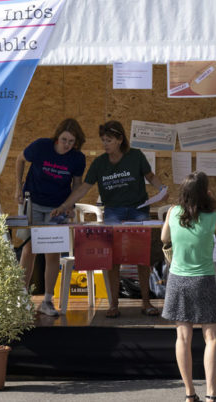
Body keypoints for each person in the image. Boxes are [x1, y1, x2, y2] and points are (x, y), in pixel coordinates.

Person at [53, 120, 167, 318]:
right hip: (113, 213)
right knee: (113, 260)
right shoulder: (99, 163)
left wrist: (162, 188)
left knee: (142, 258)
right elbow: (84, 188)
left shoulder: (136, 156)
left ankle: (146, 303)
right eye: (103, 140)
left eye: (109, 140)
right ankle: (113, 304)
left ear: (120, 140)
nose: (105, 144)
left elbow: (150, 176)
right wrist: (64, 205)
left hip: (138, 211)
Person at [161, 172, 216, 402]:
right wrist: (212, 203)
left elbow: (164, 238)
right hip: (204, 279)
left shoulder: (172, 212)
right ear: (204, 192)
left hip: (178, 279)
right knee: (211, 338)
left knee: (183, 338)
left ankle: (190, 393)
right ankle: (212, 393)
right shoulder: (213, 216)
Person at [15, 118, 87, 316]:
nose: (67, 145)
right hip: (34, 203)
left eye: (71, 141)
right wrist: (18, 187)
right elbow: (20, 159)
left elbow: (78, 185)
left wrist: (69, 206)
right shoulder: (41, 146)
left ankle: (47, 300)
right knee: (29, 248)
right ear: (57, 137)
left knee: (53, 252)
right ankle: (21, 297)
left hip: (57, 209)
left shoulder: (77, 158)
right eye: (64, 139)